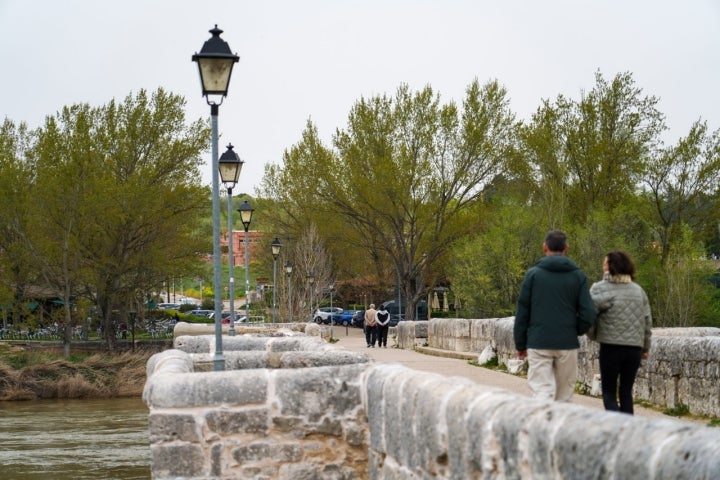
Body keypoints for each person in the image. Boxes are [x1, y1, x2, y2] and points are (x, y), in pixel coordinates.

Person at [514, 230, 596, 402]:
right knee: (564, 396)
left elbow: (523, 312)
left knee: (541, 391)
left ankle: (541, 425)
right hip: (567, 342)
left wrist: (520, 343)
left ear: (545, 247)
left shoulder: (533, 275)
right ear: (567, 248)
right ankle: (559, 427)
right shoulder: (577, 276)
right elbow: (588, 313)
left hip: (539, 340)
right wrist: (574, 330)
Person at [589, 251, 652, 415]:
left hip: (611, 347)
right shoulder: (638, 291)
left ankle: (617, 428)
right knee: (626, 392)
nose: (603, 267)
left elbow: (588, 314)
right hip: (634, 349)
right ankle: (629, 431)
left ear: (611, 267)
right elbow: (647, 321)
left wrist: (594, 334)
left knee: (609, 392)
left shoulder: (600, 289)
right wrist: (645, 348)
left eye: (605, 264)